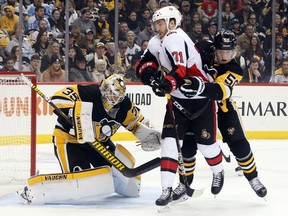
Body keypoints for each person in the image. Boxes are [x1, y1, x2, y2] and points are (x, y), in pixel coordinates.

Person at [19, 74, 161, 204]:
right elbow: (57, 98)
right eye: (111, 93)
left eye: (117, 96)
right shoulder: (89, 93)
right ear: (104, 88)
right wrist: (73, 113)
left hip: (99, 143)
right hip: (71, 142)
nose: (113, 99)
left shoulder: (124, 107)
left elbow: (136, 123)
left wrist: (150, 134)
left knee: (127, 185)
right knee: (81, 183)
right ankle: (31, 191)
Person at [136, 6, 224, 207]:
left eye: (160, 23)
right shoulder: (156, 41)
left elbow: (181, 70)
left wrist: (166, 83)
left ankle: (218, 171)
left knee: (207, 146)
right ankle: (166, 189)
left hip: (200, 100)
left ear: (172, 23)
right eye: (156, 24)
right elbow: (145, 62)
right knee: (169, 143)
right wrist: (150, 77)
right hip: (177, 101)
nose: (157, 27)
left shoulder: (175, 37)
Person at [174, 30, 267, 202]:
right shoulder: (201, 48)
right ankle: (184, 183)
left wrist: (200, 87)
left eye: (228, 52)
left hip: (222, 108)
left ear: (234, 51)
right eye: (221, 51)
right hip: (195, 108)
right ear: (214, 48)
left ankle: (253, 177)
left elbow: (221, 91)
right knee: (187, 146)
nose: (225, 56)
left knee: (239, 143)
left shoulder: (235, 68)